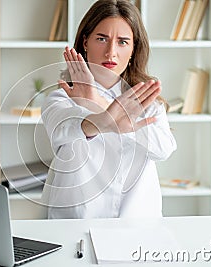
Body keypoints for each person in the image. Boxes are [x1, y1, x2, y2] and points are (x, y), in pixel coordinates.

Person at [40, 0, 177, 219]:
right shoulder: (62, 97)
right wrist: (102, 115)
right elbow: (61, 131)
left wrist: (97, 104)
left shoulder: (149, 103)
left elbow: (163, 150)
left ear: (133, 49)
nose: (111, 52)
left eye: (123, 42)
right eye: (102, 39)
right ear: (85, 42)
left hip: (136, 223)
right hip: (74, 222)